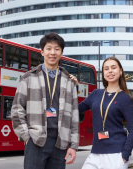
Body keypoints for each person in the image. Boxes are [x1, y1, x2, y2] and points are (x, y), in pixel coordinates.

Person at [11, 33, 79, 169]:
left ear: (62, 53)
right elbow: (17, 109)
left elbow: (74, 116)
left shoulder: (69, 82)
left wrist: (73, 145)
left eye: (57, 49)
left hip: (61, 142)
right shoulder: (28, 78)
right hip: (36, 141)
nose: (52, 52)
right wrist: (26, 136)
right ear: (42, 52)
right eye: (49, 48)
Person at [70, 57, 133, 169]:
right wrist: (74, 88)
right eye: (106, 69)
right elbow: (74, 110)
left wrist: (125, 154)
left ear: (120, 71)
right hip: (96, 152)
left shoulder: (125, 99)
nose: (110, 71)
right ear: (103, 73)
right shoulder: (96, 94)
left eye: (113, 67)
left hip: (116, 153)